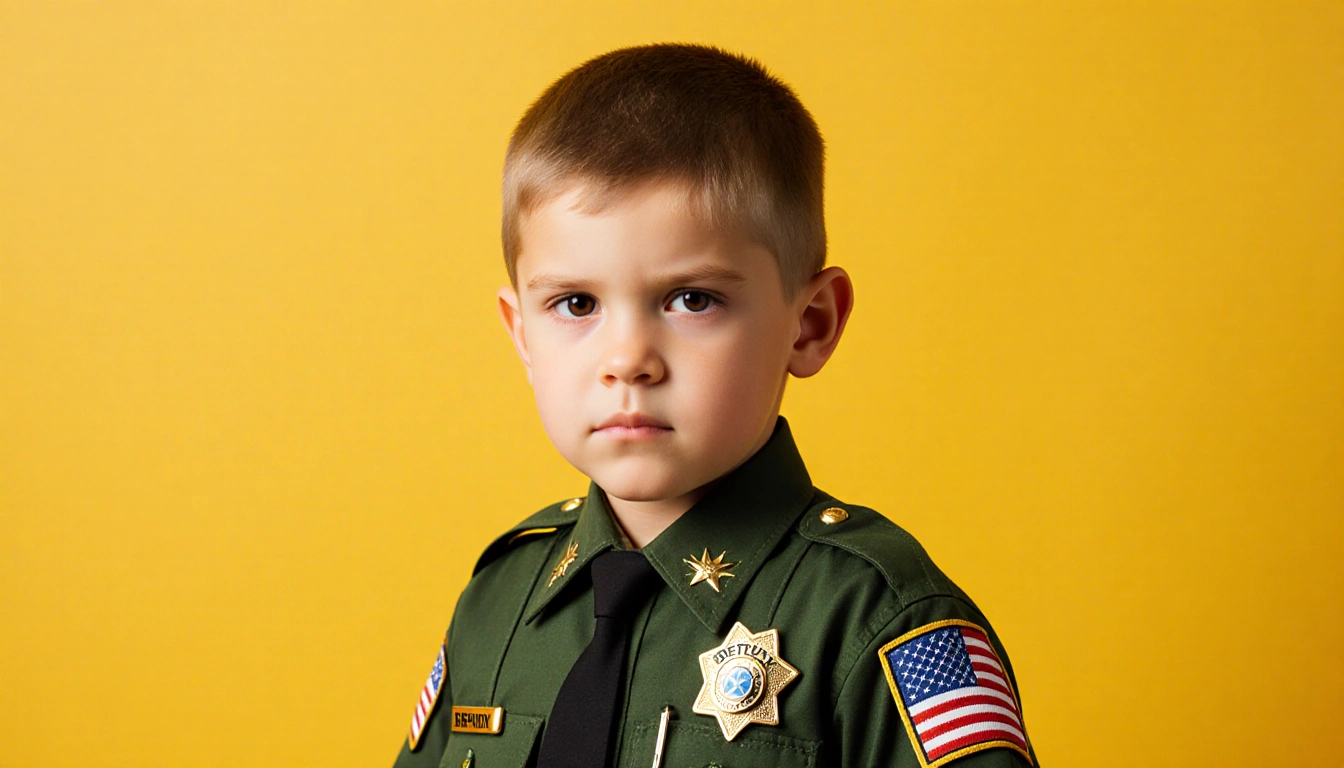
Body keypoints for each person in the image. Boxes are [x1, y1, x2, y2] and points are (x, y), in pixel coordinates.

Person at [393, 43, 1037, 768]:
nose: (627, 358)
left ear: (812, 323)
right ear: (522, 335)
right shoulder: (498, 604)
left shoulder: (879, 624)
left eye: (692, 299)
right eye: (576, 303)